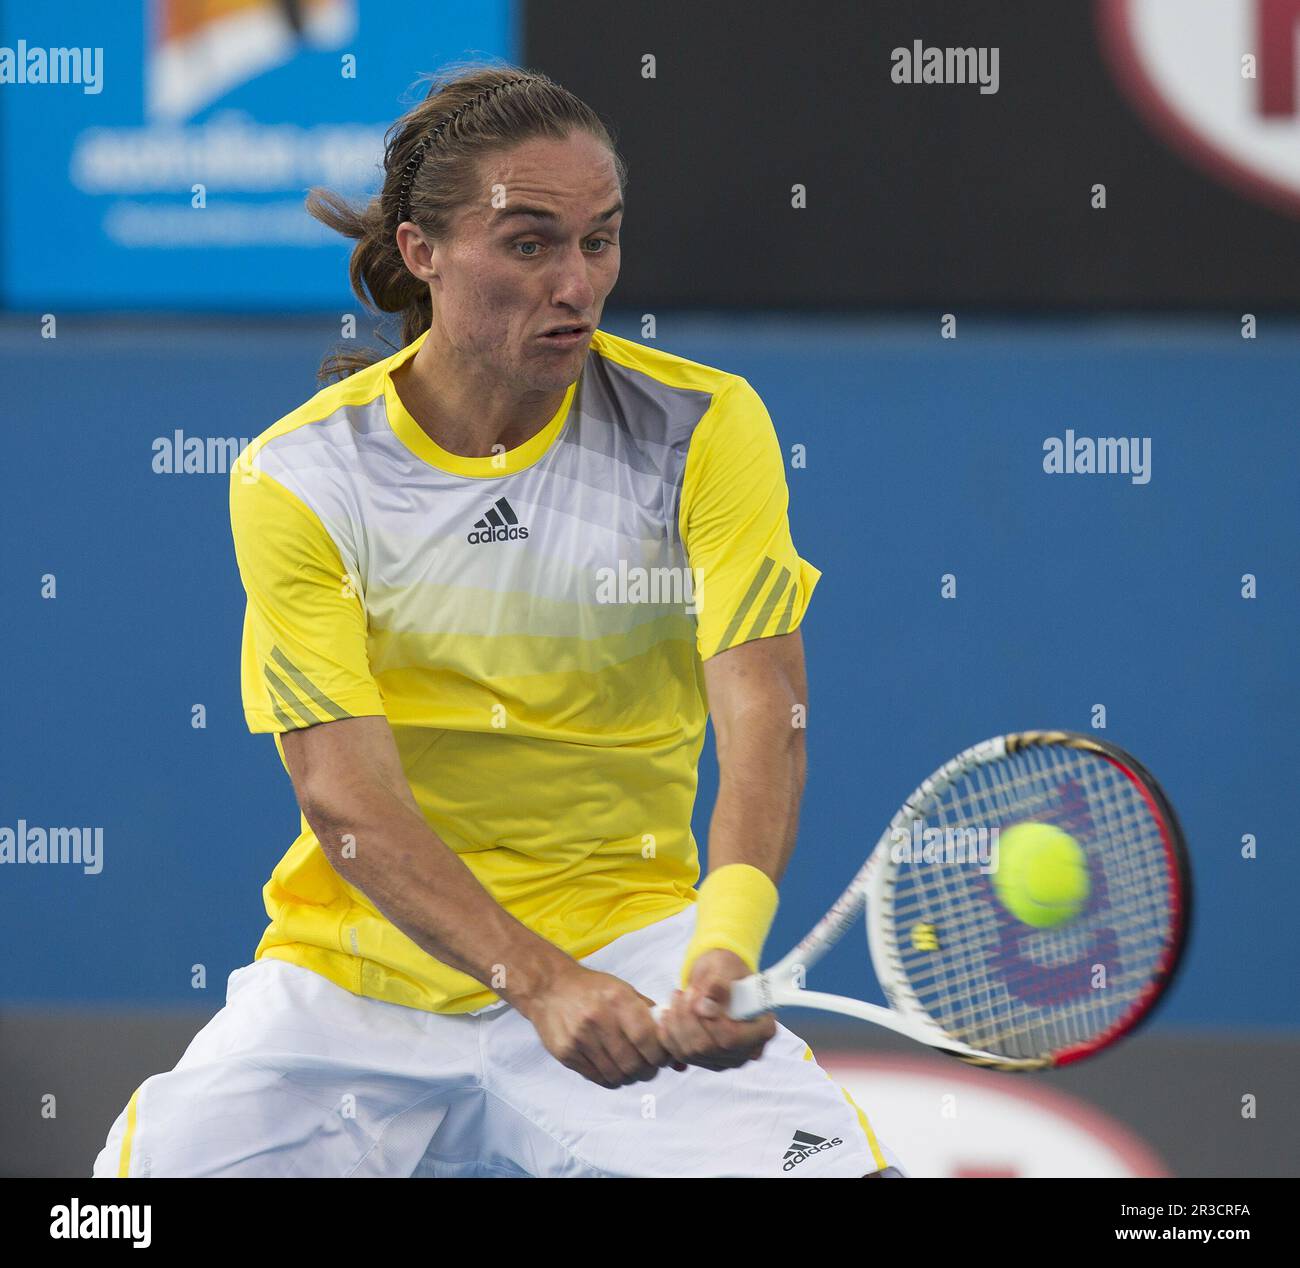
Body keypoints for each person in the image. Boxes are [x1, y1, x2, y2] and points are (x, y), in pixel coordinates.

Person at [92, 61, 905, 1179]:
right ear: (423, 253)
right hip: (354, 979)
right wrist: (534, 979)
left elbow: (763, 703)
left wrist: (723, 934)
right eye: (529, 244)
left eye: (600, 240)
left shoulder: (702, 425)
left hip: (629, 940)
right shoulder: (304, 474)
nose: (577, 283)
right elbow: (344, 794)